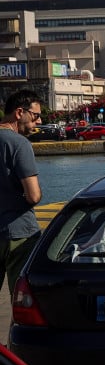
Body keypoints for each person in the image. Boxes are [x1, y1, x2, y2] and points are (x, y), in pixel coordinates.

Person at [0, 90, 44, 300]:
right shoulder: (19, 143)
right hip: (18, 234)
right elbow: (33, 196)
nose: (38, 121)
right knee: (23, 301)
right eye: (35, 116)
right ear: (19, 113)